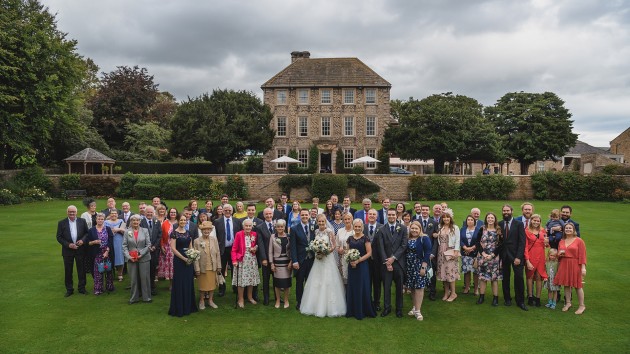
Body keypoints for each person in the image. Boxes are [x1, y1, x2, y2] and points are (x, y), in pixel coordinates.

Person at [299, 214, 346, 317]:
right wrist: (317, 251)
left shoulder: (329, 232)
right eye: (319, 222)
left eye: (322, 222)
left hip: (327, 259)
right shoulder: (316, 231)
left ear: (325, 222)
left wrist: (325, 252)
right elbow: (314, 244)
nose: (321, 223)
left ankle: (331, 307)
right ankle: (314, 306)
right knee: (316, 280)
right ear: (317, 222)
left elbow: (333, 245)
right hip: (318, 260)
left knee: (328, 281)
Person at [376, 208, 408, 317]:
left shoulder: (403, 228)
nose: (391, 217)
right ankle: (387, 307)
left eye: (393, 215)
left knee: (399, 288)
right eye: (389, 215)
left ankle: (399, 309)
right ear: (386, 216)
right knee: (387, 287)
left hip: (398, 263)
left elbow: (404, 245)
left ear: (396, 215)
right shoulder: (381, 229)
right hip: (386, 264)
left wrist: (393, 258)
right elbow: (380, 247)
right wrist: (387, 262)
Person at [495, 204, 528, 311]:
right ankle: (507, 298)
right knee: (505, 278)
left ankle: (520, 301)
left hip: (516, 256)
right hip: (504, 255)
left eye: (507, 210)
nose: (506, 212)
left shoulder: (518, 224)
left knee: (519, 278)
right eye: (504, 211)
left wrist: (519, 257)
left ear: (512, 211)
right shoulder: (499, 224)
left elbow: (522, 242)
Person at [345, 219, 376, 320]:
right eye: (356, 226)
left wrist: (358, 261)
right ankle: (352, 310)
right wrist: (350, 260)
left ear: (362, 227)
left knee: (362, 286)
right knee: (353, 286)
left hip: (362, 266)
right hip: (352, 266)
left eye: (359, 227)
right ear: (353, 227)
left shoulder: (365, 238)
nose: (357, 228)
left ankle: (363, 310)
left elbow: (369, 253)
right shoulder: (349, 238)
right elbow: (347, 251)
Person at [554, 223, 587, 315]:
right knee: (566, 284)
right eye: (566, 228)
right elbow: (558, 256)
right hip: (564, 263)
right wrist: (558, 255)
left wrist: (583, 268)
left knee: (578, 285)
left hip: (575, 264)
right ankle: (568, 303)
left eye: (570, 228)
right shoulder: (561, 241)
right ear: (564, 230)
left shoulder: (579, 241)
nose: (568, 229)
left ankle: (582, 305)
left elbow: (582, 255)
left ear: (573, 230)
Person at [168, 215, 197, 317]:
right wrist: (184, 259)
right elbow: (173, 249)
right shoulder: (174, 233)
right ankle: (179, 307)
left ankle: (189, 306)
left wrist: (192, 256)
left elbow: (191, 246)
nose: (183, 221)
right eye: (181, 220)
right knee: (180, 282)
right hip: (179, 260)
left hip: (188, 260)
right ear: (178, 221)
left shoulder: (188, 233)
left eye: (185, 220)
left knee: (188, 282)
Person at [57, 205, 89, 297]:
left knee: (81, 270)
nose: (72, 213)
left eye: (73, 212)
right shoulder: (61, 223)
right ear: (67, 212)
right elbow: (59, 237)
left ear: (76, 212)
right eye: (70, 212)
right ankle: (69, 289)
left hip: (80, 249)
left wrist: (83, 240)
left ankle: (82, 288)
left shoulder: (82, 221)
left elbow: (87, 233)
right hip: (67, 251)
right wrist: (68, 244)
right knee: (68, 270)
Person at [405, 221, 432, 321]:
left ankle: (418, 311)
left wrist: (423, 267)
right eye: (412, 228)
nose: (414, 230)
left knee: (419, 287)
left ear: (420, 229)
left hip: (419, 265)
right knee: (412, 287)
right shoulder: (408, 238)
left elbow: (428, 252)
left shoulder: (424, 238)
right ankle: (414, 306)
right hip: (409, 266)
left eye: (416, 228)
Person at [214, 204, 243, 297]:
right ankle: (222, 288)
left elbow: (240, 235)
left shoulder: (237, 221)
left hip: (234, 249)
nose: (227, 212)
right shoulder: (217, 222)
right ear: (222, 211)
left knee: (235, 269)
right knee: (221, 269)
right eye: (225, 210)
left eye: (229, 210)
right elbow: (215, 236)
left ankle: (235, 287)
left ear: (232, 211)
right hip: (222, 249)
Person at [231, 219, 261, 308]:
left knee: (251, 279)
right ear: (243, 226)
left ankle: (250, 297)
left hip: (252, 260)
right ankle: (240, 299)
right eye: (246, 226)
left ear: (252, 226)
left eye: (249, 226)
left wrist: (255, 248)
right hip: (242, 260)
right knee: (241, 281)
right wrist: (234, 260)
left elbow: (256, 245)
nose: (248, 227)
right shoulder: (239, 234)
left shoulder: (254, 234)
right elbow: (234, 249)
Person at [123, 215, 152, 304]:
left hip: (144, 258)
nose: (135, 222)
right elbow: (124, 246)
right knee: (133, 279)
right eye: (133, 220)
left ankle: (146, 297)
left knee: (145, 278)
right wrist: (128, 256)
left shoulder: (145, 230)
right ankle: (134, 298)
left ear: (140, 221)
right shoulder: (127, 232)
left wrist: (141, 254)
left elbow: (148, 245)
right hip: (131, 259)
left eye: (137, 220)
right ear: (131, 222)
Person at [476, 213, 503, 306]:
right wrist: (483, 253)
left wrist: (492, 255)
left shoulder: (498, 230)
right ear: (486, 219)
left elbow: (500, 244)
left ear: (495, 219)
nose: (490, 219)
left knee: (494, 279)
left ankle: (495, 298)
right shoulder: (482, 229)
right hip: (482, 257)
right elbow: (477, 242)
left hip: (494, 258)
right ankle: (481, 297)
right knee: (483, 278)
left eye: (492, 218)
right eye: (488, 217)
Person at [290, 209, 314, 309]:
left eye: (306, 215)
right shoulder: (294, 228)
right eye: (302, 215)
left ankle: (310, 302)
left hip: (312, 259)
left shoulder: (314, 227)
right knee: (299, 282)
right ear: (300, 216)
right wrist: (294, 261)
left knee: (311, 282)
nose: (304, 216)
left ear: (309, 216)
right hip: (300, 260)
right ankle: (299, 302)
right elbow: (293, 246)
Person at [194, 221, 221, 310]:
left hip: (213, 266)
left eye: (208, 229)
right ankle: (201, 301)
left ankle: (210, 300)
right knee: (202, 285)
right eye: (204, 229)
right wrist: (197, 268)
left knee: (212, 285)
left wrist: (219, 266)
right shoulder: (197, 241)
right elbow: (195, 256)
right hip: (202, 267)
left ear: (210, 230)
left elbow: (218, 253)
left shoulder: (214, 239)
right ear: (201, 231)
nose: (206, 231)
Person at [87, 212, 115, 295]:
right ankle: (98, 289)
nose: (100, 220)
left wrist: (107, 251)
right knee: (98, 271)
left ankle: (109, 287)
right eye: (98, 219)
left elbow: (110, 241)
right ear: (96, 220)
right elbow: (88, 242)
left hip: (107, 252)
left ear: (104, 220)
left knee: (108, 269)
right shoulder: (91, 230)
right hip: (97, 253)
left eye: (102, 219)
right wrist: (94, 242)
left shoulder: (108, 229)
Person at [436, 208, 460, 302]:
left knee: (450, 273)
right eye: (444, 217)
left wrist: (456, 251)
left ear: (450, 218)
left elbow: (457, 240)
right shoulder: (440, 227)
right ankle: (446, 293)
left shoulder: (455, 227)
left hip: (450, 251)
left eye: (447, 217)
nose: (446, 219)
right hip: (441, 251)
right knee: (443, 273)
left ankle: (453, 293)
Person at [525, 214, 548, 307]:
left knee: (539, 277)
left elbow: (546, 244)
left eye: (538, 221)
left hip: (541, 256)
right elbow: (525, 247)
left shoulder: (543, 230)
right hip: (531, 256)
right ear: (531, 220)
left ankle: (538, 298)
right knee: (529, 276)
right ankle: (530, 297)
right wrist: (527, 260)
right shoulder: (526, 231)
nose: (536, 222)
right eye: (534, 220)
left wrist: (547, 243)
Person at [268, 219, 292, 308]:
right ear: (276, 227)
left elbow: (292, 250)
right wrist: (271, 263)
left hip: (287, 263)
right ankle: (278, 300)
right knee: (277, 283)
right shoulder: (273, 237)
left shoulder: (289, 236)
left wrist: (291, 261)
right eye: (278, 226)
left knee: (287, 283)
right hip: (277, 263)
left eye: (281, 226)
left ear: (284, 227)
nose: (280, 228)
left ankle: (286, 300)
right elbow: (270, 251)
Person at [255, 208, 275, 305]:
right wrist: (263, 258)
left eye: (270, 214)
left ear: (272, 214)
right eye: (266, 214)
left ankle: (277, 297)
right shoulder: (260, 227)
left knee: (276, 278)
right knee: (266, 279)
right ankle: (266, 298)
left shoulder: (277, 225)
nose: (268, 216)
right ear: (263, 215)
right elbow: (260, 244)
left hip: (277, 258)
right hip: (266, 258)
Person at [140, 205, 161, 296]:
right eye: (148, 212)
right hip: (144, 250)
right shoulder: (141, 222)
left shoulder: (157, 222)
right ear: (145, 213)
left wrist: (154, 246)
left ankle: (152, 287)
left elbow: (159, 235)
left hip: (154, 250)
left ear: (154, 213)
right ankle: (143, 288)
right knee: (143, 270)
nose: (149, 214)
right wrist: (147, 247)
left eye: (151, 212)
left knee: (152, 269)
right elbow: (140, 236)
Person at [364, 208, 382, 310]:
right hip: (365, 260)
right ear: (367, 216)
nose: (371, 216)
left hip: (377, 260)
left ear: (377, 216)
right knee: (367, 281)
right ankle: (368, 301)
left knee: (377, 282)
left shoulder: (382, 227)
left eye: (374, 214)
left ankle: (377, 303)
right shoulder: (363, 227)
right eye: (370, 214)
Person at [460, 215, 480, 295]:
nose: (470, 221)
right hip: (465, 253)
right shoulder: (463, 229)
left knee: (475, 272)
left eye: (472, 220)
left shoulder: (478, 230)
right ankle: (467, 287)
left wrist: (471, 248)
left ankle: (476, 289)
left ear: (474, 221)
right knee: (467, 271)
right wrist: (465, 248)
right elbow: (460, 240)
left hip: (474, 254)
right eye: (468, 220)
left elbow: (479, 241)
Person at [158, 208, 178, 290]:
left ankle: (178, 283)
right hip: (168, 248)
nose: (173, 214)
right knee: (170, 267)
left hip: (177, 247)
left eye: (174, 212)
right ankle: (171, 284)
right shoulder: (165, 223)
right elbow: (161, 236)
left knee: (177, 266)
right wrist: (162, 246)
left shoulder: (180, 222)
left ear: (176, 213)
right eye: (171, 212)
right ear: (169, 213)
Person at [104, 210, 126, 282]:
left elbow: (125, 231)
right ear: (110, 214)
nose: (114, 215)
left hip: (119, 241)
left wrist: (118, 229)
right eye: (112, 213)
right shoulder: (106, 222)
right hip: (109, 241)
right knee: (109, 257)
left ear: (117, 214)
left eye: (115, 213)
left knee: (119, 257)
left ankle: (120, 274)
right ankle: (109, 274)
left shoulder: (121, 221)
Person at [336, 212, 354, 285]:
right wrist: (338, 250)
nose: (347, 221)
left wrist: (347, 251)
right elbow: (337, 244)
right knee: (342, 280)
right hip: (341, 258)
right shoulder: (340, 231)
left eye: (348, 219)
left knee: (351, 279)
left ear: (352, 219)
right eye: (345, 219)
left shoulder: (355, 230)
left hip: (352, 258)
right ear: (343, 220)